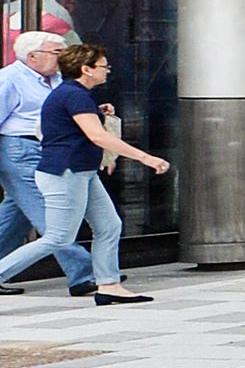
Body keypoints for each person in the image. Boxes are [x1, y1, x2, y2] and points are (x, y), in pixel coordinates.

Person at [0, 43, 166, 304]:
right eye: (103, 66)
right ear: (86, 69)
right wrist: (146, 158)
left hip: (82, 171)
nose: (107, 70)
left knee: (109, 226)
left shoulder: (76, 95)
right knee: (57, 238)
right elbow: (97, 135)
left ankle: (108, 284)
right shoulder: (73, 95)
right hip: (65, 173)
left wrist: (98, 113)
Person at [0, 30, 95, 300]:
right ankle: (85, 273)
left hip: (46, 149)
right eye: (57, 52)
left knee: (16, 215)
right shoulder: (9, 80)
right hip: (19, 149)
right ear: (32, 56)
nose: (63, 57)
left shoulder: (57, 79)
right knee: (50, 213)